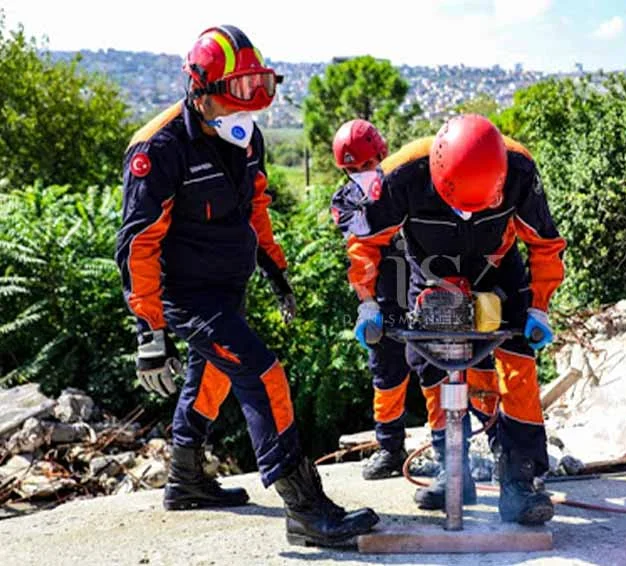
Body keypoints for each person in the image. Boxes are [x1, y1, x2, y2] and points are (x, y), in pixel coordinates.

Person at [114, 24, 378, 547]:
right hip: (184, 296)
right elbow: (137, 245)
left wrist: (276, 271)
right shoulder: (158, 148)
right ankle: (304, 507)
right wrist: (150, 331)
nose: (247, 105)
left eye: (254, 88)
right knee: (264, 375)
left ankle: (185, 480)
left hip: (227, 286)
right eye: (235, 92)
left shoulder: (245, 137)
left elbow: (254, 210)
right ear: (200, 88)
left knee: (212, 374)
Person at [346, 114, 565, 525]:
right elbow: (366, 241)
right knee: (431, 365)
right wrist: (368, 302)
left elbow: (545, 243)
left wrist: (538, 306)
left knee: (517, 363)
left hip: (496, 269)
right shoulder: (401, 175)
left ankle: (519, 477)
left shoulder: (518, 169)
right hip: (430, 271)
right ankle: (453, 469)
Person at [329, 119, 411, 480]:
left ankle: (454, 447)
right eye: (352, 169)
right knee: (386, 372)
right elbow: (359, 254)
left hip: (426, 285)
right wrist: (367, 303)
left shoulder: (407, 183)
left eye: (366, 164)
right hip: (385, 294)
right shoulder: (346, 202)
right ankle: (391, 448)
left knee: (444, 368)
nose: (362, 173)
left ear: (382, 154)